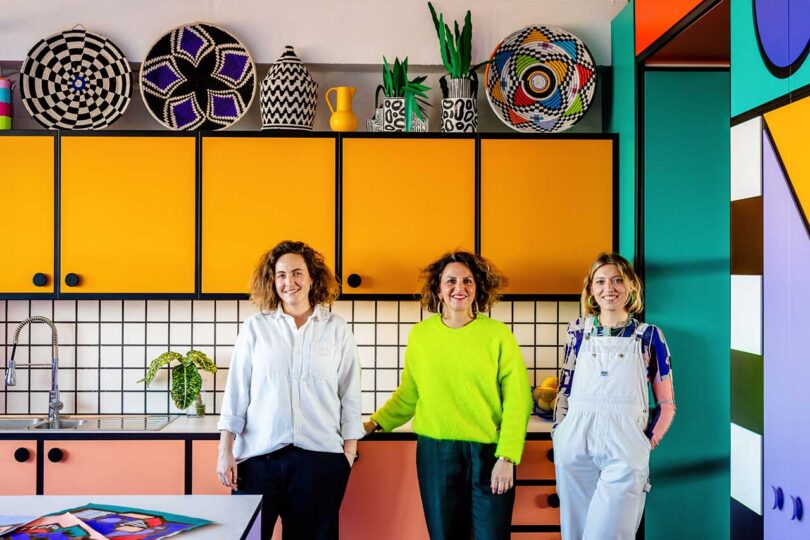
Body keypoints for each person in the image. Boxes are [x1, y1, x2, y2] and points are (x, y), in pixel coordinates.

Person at [364, 251, 532, 540]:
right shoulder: (421, 336)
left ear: (477, 287)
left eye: (468, 281)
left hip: (489, 453)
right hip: (436, 453)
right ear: (438, 289)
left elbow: (518, 400)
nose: (460, 287)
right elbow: (410, 393)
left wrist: (507, 457)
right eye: (451, 280)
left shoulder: (498, 335)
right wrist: (373, 423)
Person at [217, 240, 364, 540]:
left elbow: (350, 394)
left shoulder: (337, 330)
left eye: (297, 273)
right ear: (273, 281)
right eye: (281, 274)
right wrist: (224, 451)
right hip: (257, 461)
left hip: (319, 460)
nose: (289, 282)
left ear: (312, 278)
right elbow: (236, 392)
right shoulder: (255, 328)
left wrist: (348, 454)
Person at [552, 253, 676, 540]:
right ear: (592, 290)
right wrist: (559, 433)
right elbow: (564, 390)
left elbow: (667, 405)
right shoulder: (577, 332)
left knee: (610, 534)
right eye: (601, 281)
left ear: (632, 285)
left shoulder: (649, 336)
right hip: (574, 442)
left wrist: (645, 443)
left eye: (618, 279)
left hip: (626, 444)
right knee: (575, 533)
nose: (610, 288)